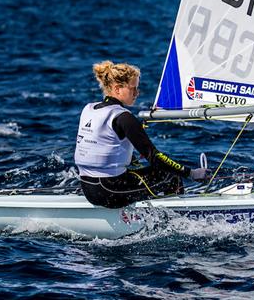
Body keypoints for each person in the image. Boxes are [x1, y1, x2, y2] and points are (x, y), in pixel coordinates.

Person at [75, 60, 208, 208]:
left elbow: (104, 146)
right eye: (133, 89)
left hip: (88, 189)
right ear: (117, 89)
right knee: (171, 175)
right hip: (110, 191)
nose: (137, 93)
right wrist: (191, 173)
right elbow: (155, 157)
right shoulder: (124, 117)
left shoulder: (89, 109)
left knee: (142, 173)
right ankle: (179, 220)